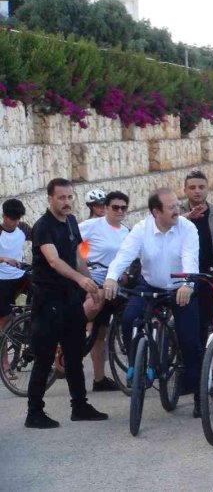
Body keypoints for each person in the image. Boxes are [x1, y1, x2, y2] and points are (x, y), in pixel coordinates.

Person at [104, 188, 203, 415]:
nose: (178, 210)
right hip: (150, 285)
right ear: (156, 212)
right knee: (129, 318)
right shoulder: (141, 229)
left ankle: (198, 394)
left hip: (181, 288)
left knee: (190, 340)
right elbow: (124, 255)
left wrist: (188, 283)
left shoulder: (187, 228)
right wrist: (111, 278)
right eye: (171, 207)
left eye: (177, 205)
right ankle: (135, 364)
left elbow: (190, 258)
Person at [26, 178, 106, 429]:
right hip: (47, 299)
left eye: (70, 197)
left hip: (70, 297)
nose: (66, 202)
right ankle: (34, 412)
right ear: (49, 199)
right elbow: (54, 261)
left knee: (74, 353)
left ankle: (79, 406)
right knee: (44, 356)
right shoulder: (43, 227)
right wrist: (80, 279)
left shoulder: (72, 222)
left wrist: (92, 285)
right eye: (61, 198)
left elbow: (78, 255)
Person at [79, 191, 130, 392]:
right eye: (115, 207)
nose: (119, 211)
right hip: (93, 279)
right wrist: (82, 268)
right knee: (94, 304)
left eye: (123, 208)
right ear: (106, 208)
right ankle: (64, 334)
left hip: (114, 283)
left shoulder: (126, 232)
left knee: (100, 332)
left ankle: (99, 379)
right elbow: (71, 242)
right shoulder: (92, 226)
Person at [182, 170, 213, 340]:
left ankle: (203, 360)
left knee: (207, 321)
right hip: (184, 276)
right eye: (192, 187)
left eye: (201, 187)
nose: (197, 191)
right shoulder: (176, 214)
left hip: (209, 276)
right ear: (185, 190)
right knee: (186, 320)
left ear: (208, 189)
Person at [0, 199, 28, 335]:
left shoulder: (23, 228)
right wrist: (4, 259)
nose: (16, 222)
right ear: (4, 216)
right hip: (2, 279)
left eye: (18, 218)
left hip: (21, 275)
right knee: (4, 320)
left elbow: (41, 240)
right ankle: (3, 356)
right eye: (13, 219)